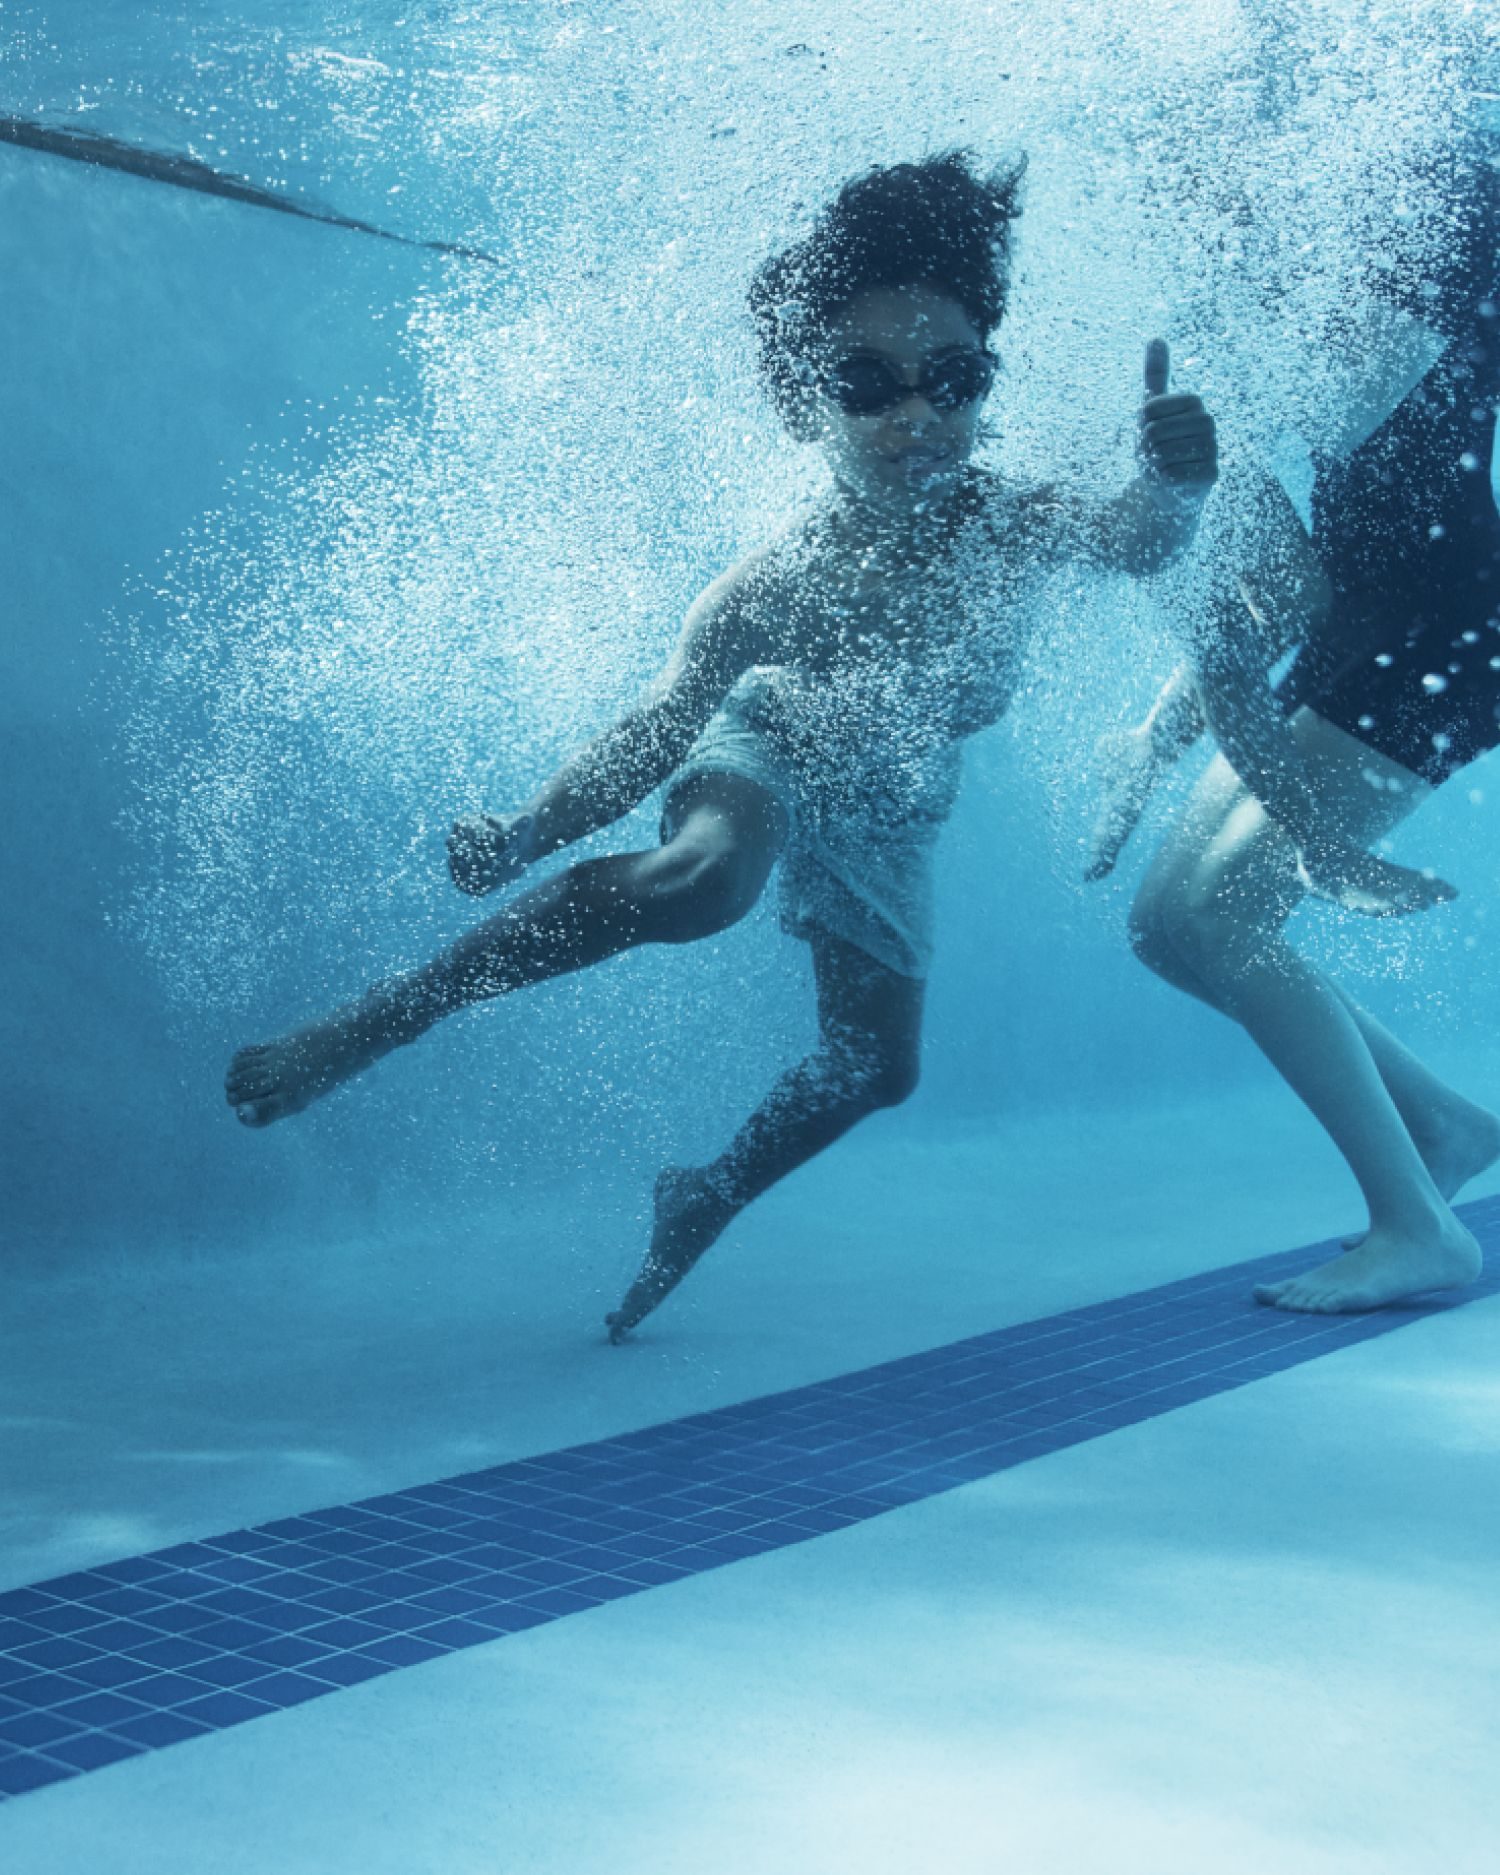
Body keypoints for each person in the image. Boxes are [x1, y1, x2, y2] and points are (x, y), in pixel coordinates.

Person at [226, 152, 1218, 1338]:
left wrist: (1176, 485)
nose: (917, 416)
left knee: (875, 1069)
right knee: (703, 883)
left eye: (952, 378)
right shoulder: (776, 585)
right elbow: (658, 728)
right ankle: (395, 1010)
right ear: (808, 398)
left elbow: (1133, 541)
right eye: (869, 382)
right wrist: (529, 828)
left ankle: (705, 1194)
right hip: (773, 747)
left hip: (895, 801)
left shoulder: (1010, 522)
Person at [1089, 140, 1500, 1314]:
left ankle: (1419, 1230)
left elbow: (1245, 573)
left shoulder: (1382, 314)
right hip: (1372, 623)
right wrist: (1155, 732)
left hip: (1439, 640)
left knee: (1225, 912)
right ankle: (1446, 1126)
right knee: (1169, 927)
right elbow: (1290, 585)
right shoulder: (1348, 312)